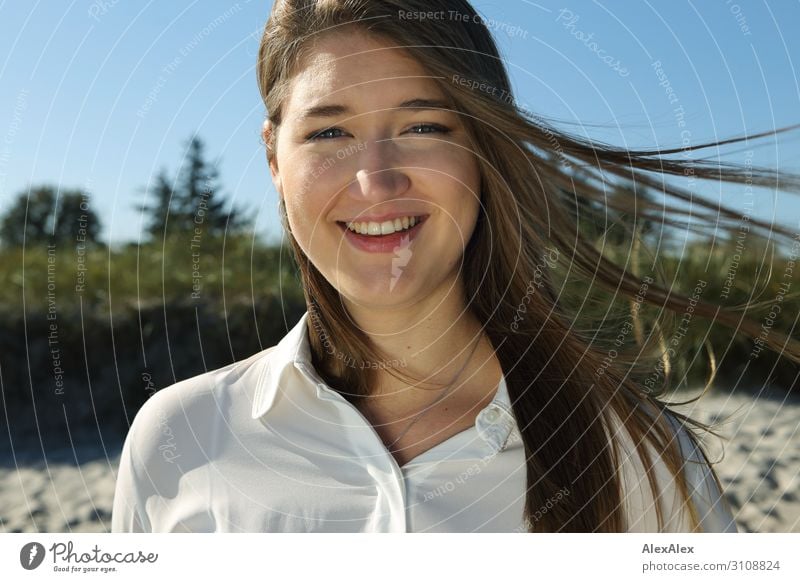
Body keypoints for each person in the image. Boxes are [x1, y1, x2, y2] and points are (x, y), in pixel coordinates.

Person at [112, 0, 799, 532]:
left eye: (424, 127)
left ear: (482, 149)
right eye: (329, 132)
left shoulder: (637, 454)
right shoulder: (178, 441)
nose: (376, 182)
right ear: (272, 159)